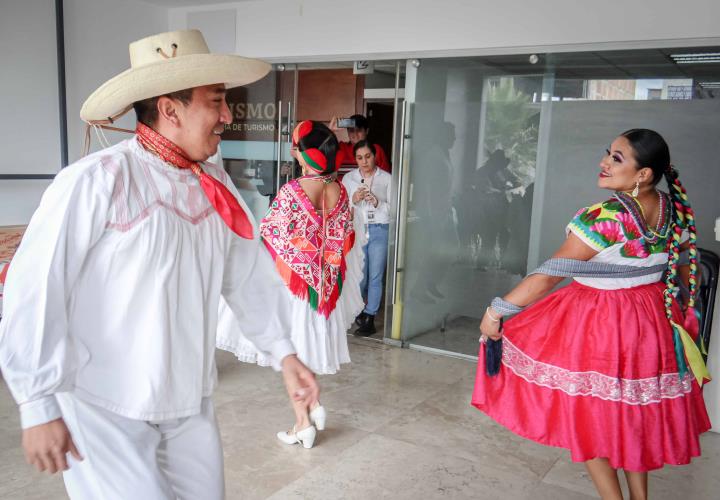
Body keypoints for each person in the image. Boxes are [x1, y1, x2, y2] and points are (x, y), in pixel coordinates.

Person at [0, 30, 318, 499]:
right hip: (102, 404)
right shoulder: (95, 181)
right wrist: (37, 403)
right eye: (217, 102)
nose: (227, 116)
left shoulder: (216, 185)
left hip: (189, 398)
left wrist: (284, 354)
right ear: (171, 109)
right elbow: (35, 287)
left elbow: (246, 277)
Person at [473, 129, 710, 500]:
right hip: (651, 322)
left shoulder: (607, 216)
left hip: (603, 323)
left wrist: (497, 310)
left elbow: (550, 274)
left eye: (616, 158)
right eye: (607, 154)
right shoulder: (670, 209)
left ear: (643, 174)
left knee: (593, 418)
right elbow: (685, 268)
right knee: (633, 414)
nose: (604, 163)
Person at [217, 121, 364, 448]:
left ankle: (303, 421)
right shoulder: (340, 191)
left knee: (290, 355)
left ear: (304, 153)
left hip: (295, 291)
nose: (292, 150)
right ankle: (311, 409)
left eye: (295, 144)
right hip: (324, 292)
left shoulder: (293, 191)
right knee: (302, 357)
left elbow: (269, 236)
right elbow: (345, 240)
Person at [342, 140, 392, 335]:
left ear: (375, 156)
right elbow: (343, 206)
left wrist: (378, 201)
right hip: (358, 229)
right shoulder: (349, 179)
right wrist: (353, 200)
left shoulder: (387, 178)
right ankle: (358, 311)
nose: (364, 161)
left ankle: (370, 317)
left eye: (368, 156)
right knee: (358, 275)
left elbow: (395, 209)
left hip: (380, 228)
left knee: (376, 275)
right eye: (359, 157)